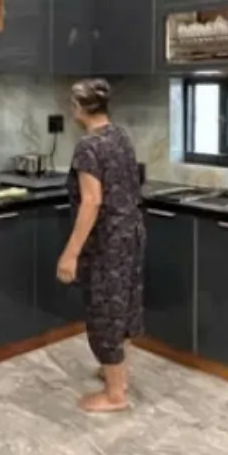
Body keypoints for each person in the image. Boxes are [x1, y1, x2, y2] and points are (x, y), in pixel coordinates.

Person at [56, 78, 146, 413]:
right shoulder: (120, 135)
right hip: (131, 233)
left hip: (107, 241)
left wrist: (71, 253)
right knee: (124, 304)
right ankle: (116, 372)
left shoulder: (88, 146)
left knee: (104, 310)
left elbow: (92, 201)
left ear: (79, 107)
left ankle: (115, 394)